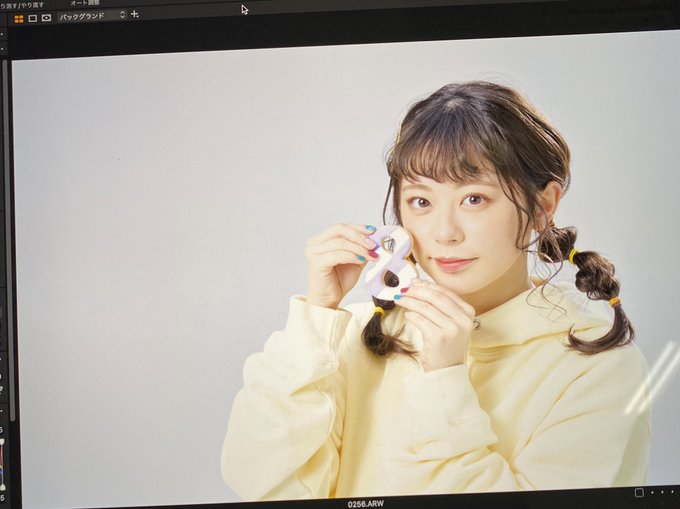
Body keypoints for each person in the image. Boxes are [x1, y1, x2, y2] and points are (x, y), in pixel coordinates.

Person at [221, 81, 650, 500]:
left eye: (474, 199)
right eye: (421, 202)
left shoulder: (596, 363)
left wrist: (444, 379)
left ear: (543, 206)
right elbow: (265, 485)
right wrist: (316, 317)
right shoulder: (357, 333)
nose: (444, 233)